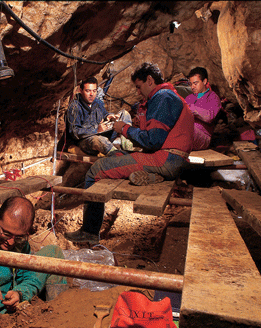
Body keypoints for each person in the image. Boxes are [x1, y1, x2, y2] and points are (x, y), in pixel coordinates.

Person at [64, 62, 194, 244]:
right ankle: (154, 175)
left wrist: (124, 128)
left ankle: (89, 232)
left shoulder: (163, 97)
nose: (139, 92)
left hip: (165, 158)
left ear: (149, 80)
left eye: (139, 87)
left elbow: (153, 139)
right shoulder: (170, 96)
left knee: (96, 169)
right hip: (171, 158)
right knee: (118, 155)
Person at [66, 76, 131, 156]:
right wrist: (96, 130)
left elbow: (104, 113)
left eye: (94, 91)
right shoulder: (75, 107)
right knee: (99, 140)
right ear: (81, 91)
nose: (91, 94)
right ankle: (119, 158)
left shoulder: (97, 102)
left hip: (103, 134)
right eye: (88, 91)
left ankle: (128, 147)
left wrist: (108, 116)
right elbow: (74, 132)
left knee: (125, 113)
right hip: (86, 141)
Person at [185, 67, 222, 150]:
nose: (192, 87)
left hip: (203, 137)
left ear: (204, 81)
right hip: (188, 132)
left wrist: (190, 108)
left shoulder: (213, 97)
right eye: (191, 84)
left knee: (186, 127)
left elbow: (209, 117)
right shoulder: (189, 98)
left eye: (195, 83)